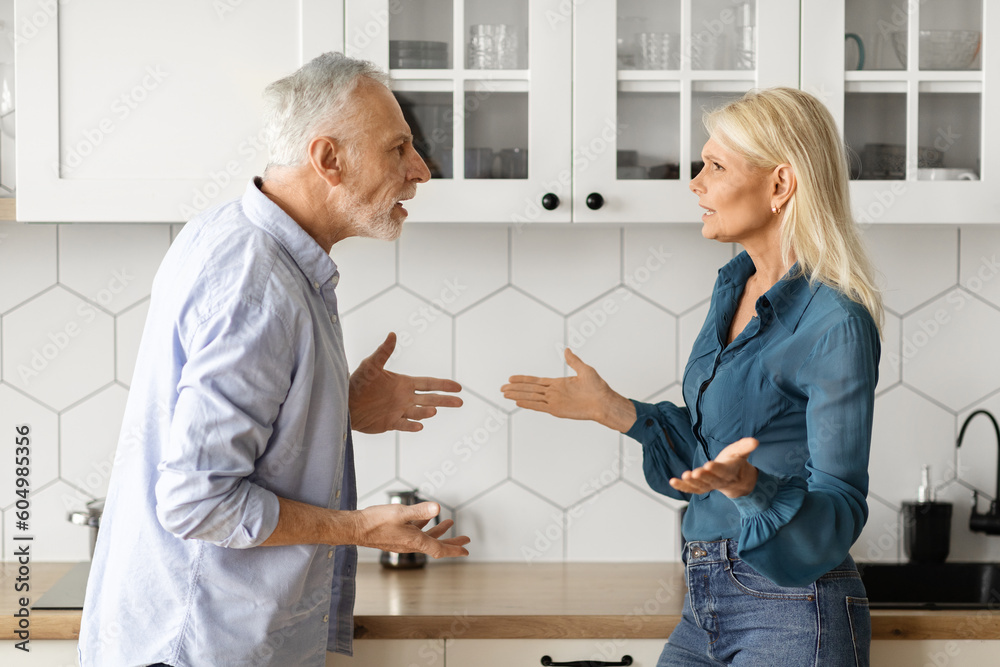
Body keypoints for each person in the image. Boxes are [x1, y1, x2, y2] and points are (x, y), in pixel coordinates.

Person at [79, 53, 471, 667]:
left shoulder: (232, 235)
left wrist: (332, 403)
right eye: (399, 149)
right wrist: (359, 528)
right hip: (201, 646)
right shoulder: (256, 284)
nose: (420, 170)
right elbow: (198, 500)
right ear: (328, 159)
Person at [502, 87, 882, 666]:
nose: (695, 182)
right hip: (705, 594)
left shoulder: (835, 322)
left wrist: (751, 487)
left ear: (780, 185)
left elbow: (841, 506)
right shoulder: (733, 288)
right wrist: (614, 410)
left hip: (791, 608)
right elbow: (708, 452)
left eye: (716, 166)